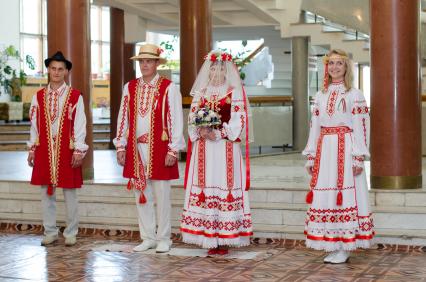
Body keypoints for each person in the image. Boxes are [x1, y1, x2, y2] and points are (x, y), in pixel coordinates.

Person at [303, 49, 374, 263]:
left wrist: (358, 156)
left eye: (339, 64)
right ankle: (333, 242)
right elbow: (315, 127)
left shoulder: (354, 94)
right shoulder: (320, 95)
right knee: (328, 194)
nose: (334, 67)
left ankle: (346, 245)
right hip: (325, 149)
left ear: (346, 67)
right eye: (331, 63)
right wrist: (312, 155)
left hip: (345, 148)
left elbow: (362, 127)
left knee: (344, 195)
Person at [180, 50, 253, 255]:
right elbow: (192, 117)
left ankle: (224, 237)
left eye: (221, 67)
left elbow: (240, 120)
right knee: (206, 186)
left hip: (225, 148)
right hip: (204, 148)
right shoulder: (201, 92)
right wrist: (201, 130)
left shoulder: (234, 91)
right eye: (213, 67)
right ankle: (207, 235)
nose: (217, 71)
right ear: (208, 69)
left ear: (227, 69)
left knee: (223, 184)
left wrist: (220, 132)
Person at [114, 43, 185, 253]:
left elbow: (176, 120)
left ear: (156, 63)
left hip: (161, 148)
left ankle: (164, 238)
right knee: (140, 193)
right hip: (136, 149)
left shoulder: (168, 88)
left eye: (149, 61)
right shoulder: (130, 87)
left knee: (162, 195)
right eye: (142, 61)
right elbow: (123, 117)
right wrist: (120, 145)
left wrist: (173, 149)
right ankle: (147, 237)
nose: (145, 65)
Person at [27, 51, 88, 246]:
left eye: (60, 69)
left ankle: (71, 233)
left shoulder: (75, 96)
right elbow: (34, 124)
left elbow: (80, 124)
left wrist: (79, 149)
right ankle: (50, 231)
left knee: (70, 192)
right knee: (46, 192)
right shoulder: (38, 96)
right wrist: (32, 148)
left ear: (66, 72)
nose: (56, 72)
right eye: (53, 68)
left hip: (67, 149)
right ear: (48, 70)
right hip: (44, 149)